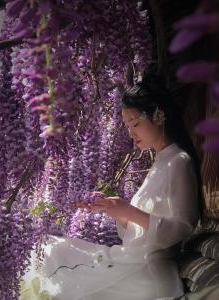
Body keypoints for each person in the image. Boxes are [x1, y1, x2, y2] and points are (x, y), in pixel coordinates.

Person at [20, 75, 202, 300]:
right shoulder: (159, 162)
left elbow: (184, 226)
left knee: (58, 270)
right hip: (129, 259)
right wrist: (114, 211)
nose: (130, 133)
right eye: (126, 126)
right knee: (46, 248)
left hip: (148, 270)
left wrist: (129, 211)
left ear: (158, 115)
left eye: (135, 123)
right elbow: (137, 232)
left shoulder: (179, 161)